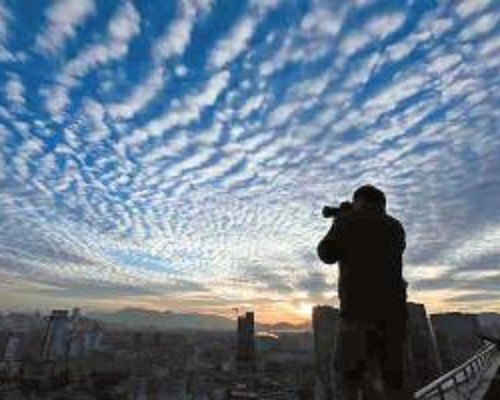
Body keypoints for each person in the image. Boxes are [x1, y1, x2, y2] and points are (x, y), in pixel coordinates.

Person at [317, 185, 409, 400]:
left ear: (358, 200)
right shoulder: (396, 226)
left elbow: (327, 254)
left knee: (348, 383)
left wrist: (338, 221)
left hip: (357, 315)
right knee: (393, 381)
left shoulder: (348, 221)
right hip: (394, 317)